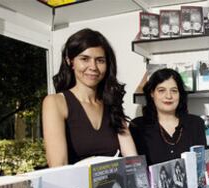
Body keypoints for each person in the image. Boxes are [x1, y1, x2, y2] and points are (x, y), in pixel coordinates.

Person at [42, 28, 137, 167]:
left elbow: (133, 160)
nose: (93, 67)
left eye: (100, 60)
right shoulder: (55, 103)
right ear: (70, 61)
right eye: (84, 59)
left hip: (115, 187)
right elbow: (58, 166)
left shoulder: (111, 103)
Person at [130, 68, 206, 165]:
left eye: (174, 91)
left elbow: (202, 165)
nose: (168, 96)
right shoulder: (138, 126)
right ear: (152, 93)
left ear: (180, 94)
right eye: (161, 90)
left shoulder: (196, 124)